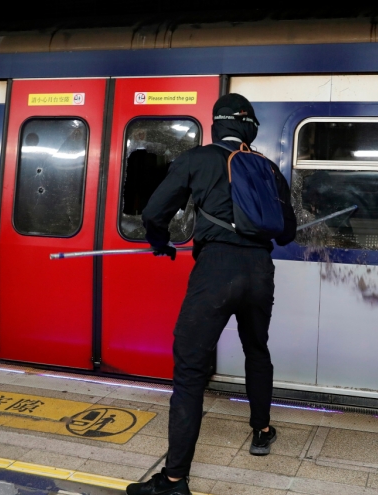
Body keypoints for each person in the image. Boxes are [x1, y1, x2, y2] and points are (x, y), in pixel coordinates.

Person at [126, 94, 297, 495]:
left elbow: (154, 213)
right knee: (257, 349)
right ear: (249, 128)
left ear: (216, 125)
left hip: (216, 271)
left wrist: (160, 242)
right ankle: (262, 430)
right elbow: (286, 233)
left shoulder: (196, 159)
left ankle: (173, 481)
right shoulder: (268, 168)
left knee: (189, 371)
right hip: (259, 270)